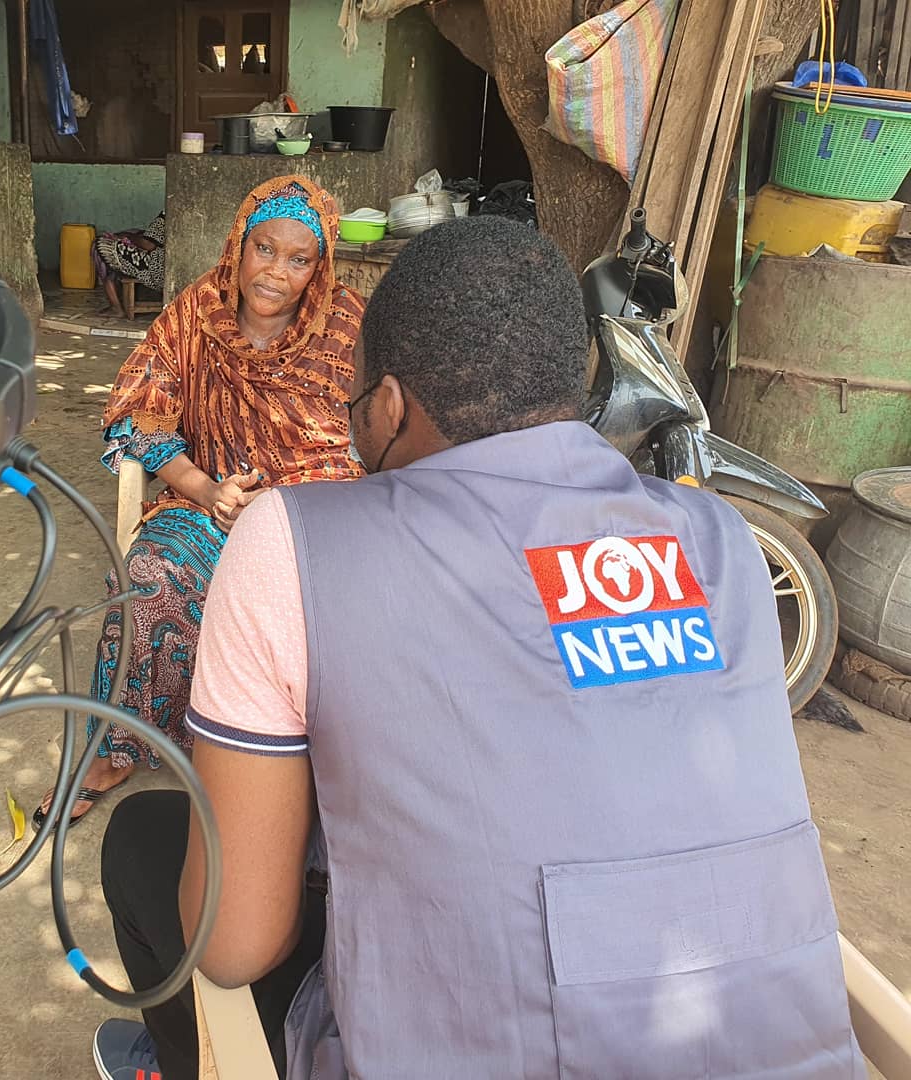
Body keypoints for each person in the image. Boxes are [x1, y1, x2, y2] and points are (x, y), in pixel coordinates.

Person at [92, 217, 863, 1079]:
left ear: (387, 407)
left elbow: (234, 944)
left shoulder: (292, 543)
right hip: (776, 1046)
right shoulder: (719, 541)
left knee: (148, 844)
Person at [33, 176, 364, 831]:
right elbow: (141, 414)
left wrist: (282, 499)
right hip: (212, 501)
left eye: (299, 260)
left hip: (318, 516)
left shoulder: (347, 325)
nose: (275, 272)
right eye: (264, 249)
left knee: (352, 607)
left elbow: (375, 436)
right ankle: (113, 750)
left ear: (318, 269)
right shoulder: (196, 313)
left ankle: (280, 770)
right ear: (239, 245)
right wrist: (209, 490)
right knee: (149, 579)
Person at [94, 211, 166, 319]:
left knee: (101, 245)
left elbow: (148, 244)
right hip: (177, 269)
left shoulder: (170, 211)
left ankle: (116, 307)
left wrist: (127, 236)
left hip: (158, 272)